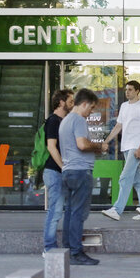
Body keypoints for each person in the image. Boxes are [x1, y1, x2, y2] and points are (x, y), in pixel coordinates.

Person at [59, 88, 107, 265]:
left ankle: (68, 249)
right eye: (92, 108)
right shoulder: (78, 119)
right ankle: (76, 253)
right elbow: (82, 144)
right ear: (84, 104)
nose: (91, 112)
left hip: (69, 171)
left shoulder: (65, 121)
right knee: (78, 214)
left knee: (71, 213)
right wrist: (99, 146)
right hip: (80, 171)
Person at [101, 80, 140, 221]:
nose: (127, 92)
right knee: (138, 180)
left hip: (136, 146)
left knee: (125, 177)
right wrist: (106, 141)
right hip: (126, 146)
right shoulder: (124, 106)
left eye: (130, 89)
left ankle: (117, 210)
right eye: (126, 89)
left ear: (137, 91)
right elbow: (118, 126)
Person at [42, 89, 74, 256]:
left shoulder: (65, 121)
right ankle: (49, 248)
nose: (72, 103)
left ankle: (67, 245)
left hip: (63, 171)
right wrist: (64, 167)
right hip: (55, 172)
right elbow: (51, 147)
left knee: (68, 209)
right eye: (70, 100)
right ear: (61, 102)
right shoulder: (53, 121)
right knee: (55, 211)